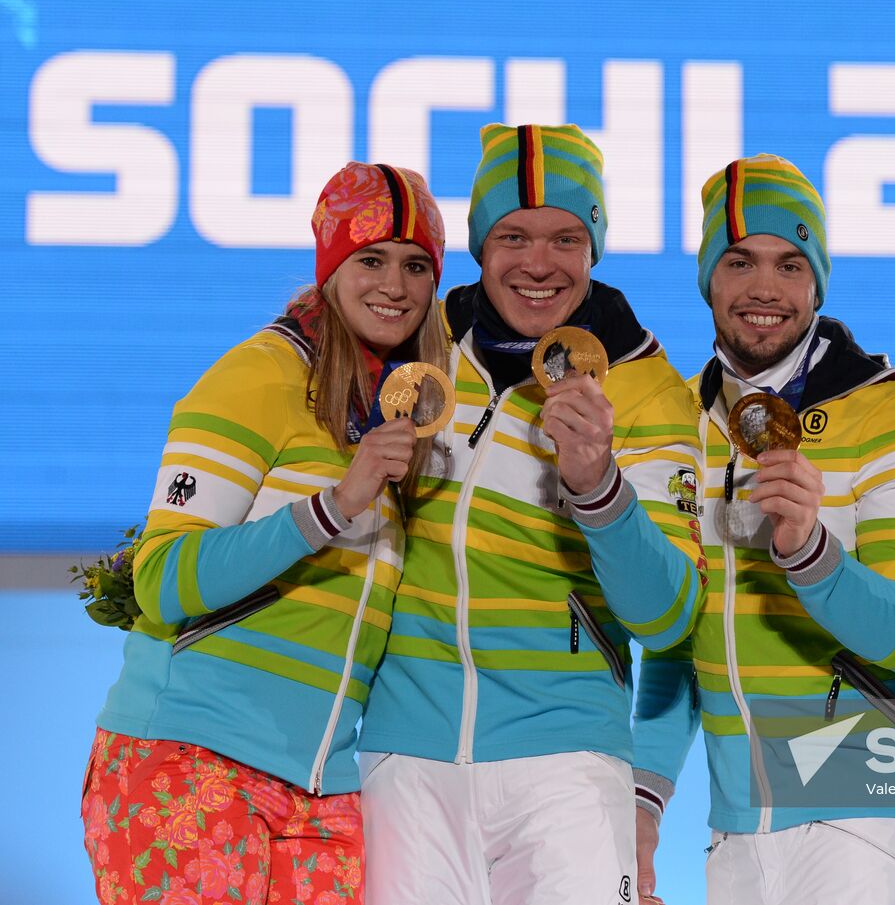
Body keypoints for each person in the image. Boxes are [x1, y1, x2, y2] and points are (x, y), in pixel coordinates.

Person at [81, 162, 449, 904]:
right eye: (370, 259)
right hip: (190, 756)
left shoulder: (393, 408)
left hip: (321, 786)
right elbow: (164, 578)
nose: (395, 285)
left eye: (416, 266)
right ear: (330, 265)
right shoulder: (258, 377)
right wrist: (330, 507)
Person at [356, 123, 705, 905]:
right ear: (480, 244)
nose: (539, 262)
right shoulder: (418, 347)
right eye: (513, 234)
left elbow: (671, 615)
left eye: (566, 238)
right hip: (404, 754)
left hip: (567, 762)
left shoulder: (650, 391)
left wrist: (598, 487)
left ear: (595, 248)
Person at [631, 154, 895, 905]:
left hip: (868, 820)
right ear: (709, 277)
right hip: (738, 828)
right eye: (739, 260)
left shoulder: (892, 417)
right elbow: (679, 633)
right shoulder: (678, 421)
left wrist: (813, 555)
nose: (764, 289)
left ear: (817, 281)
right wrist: (645, 799)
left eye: (789, 262)